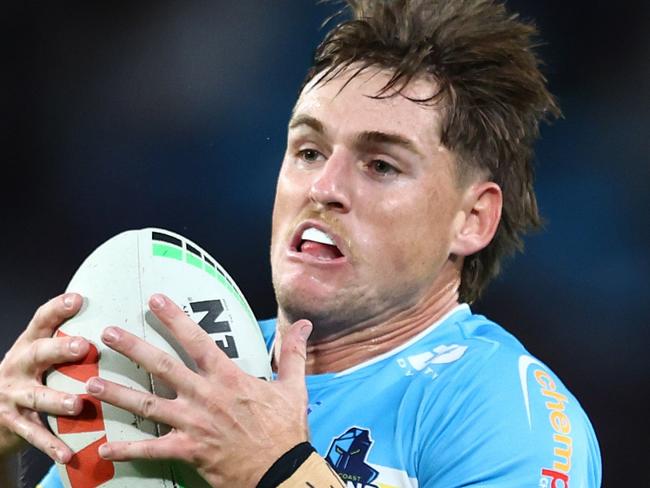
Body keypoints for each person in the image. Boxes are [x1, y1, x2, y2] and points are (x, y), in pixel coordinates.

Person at [0, 0, 602, 486]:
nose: (325, 186)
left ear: (472, 218)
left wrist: (280, 470)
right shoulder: (183, 369)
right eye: (309, 151)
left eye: (381, 165)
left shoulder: (503, 411)